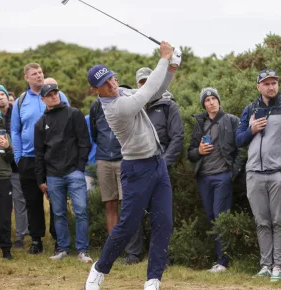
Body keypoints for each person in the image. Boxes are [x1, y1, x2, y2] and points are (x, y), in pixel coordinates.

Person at [84, 41, 181, 290]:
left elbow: (155, 92)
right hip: (136, 170)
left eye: (112, 78)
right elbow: (145, 94)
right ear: (96, 90)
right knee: (127, 225)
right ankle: (99, 269)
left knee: (164, 222)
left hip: (157, 165)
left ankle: (153, 280)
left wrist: (171, 69)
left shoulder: (122, 93)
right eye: (105, 84)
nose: (112, 84)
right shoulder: (116, 108)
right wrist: (163, 58)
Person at [236, 68, 281, 282]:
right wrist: (251, 129)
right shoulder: (250, 109)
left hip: (278, 173)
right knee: (261, 221)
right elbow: (238, 140)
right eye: (266, 83)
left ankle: (278, 266)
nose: (271, 87)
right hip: (254, 173)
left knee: (278, 221)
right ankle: (265, 265)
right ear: (258, 87)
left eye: (274, 83)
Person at [124, 67, 185, 265]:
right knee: (134, 210)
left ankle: (160, 257)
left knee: (160, 215)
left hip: (160, 167)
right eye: (141, 82)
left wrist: (163, 164)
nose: (144, 85)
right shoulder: (133, 107)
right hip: (137, 166)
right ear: (137, 85)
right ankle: (133, 254)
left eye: (147, 81)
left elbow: (177, 137)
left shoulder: (168, 106)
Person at [11, 63, 70, 254]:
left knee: (56, 199)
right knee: (33, 201)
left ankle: (59, 239)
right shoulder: (20, 101)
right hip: (28, 158)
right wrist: (18, 157)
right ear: (26, 78)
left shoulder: (57, 96)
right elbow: (15, 130)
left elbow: (69, 123)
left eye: (41, 73)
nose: (39, 76)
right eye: (34, 74)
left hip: (53, 157)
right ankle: (36, 240)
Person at [188, 87, 245, 272]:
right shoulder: (200, 123)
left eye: (214, 98)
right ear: (203, 104)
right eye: (207, 100)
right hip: (204, 177)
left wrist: (233, 172)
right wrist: (199, 151)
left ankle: (222, 262)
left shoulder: (231, 120)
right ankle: (220, 259)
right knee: (212, 217)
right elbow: (190, 152)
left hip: (223, 176)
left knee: (220, 216)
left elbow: (242, 148)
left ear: (219, 101)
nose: (211, 102)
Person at [34, 83, 92, 262]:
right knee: (58, 213)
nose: (53, 96)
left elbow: (84, 142)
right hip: (52, 175)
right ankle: (62, 248)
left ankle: (83, 250)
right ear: (43, 99)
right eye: (49, 94)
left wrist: (80, 168)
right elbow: (39, 153)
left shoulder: (74, 114)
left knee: (81, 211)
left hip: (74, 172)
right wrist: (40, 180)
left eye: (55, 93)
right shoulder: (40, 123)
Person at [0, 84, 28, 249]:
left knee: (19, 202)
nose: (0, 97)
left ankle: (20, 236)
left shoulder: (18, 111)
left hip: (16, 163)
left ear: (7, 96)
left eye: (2, 94)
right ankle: (0, 237)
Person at [89, 83, 123, 234]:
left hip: (124, 158)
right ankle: (114, 247)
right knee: (110, 204)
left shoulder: (124, 103)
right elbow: (95, 134)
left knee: (128, 204)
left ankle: (131, 250)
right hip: (103, 159)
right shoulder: (95, 106)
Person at [0, 106, 14, 260]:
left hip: (4, 180)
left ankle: (6, 250)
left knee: (4, 217)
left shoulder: (5, 136)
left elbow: (12, 161)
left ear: (0, 121)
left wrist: (7, 148)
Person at [85, 115, 97, 192]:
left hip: (112, 165)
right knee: (90, 200)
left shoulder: (116, 115)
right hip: (89, 167)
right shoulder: (88, 119)